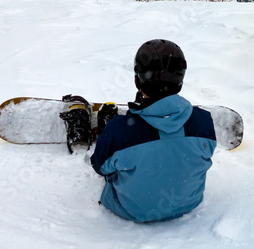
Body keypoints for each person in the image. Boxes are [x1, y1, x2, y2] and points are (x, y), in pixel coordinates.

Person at [91, 39, 217, 223]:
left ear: (137, 80)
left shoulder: (118, 129)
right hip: (190, 204)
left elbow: (99, 167)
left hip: (131, 210)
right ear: (180, 81)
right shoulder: (204, 121)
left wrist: (111, 135)